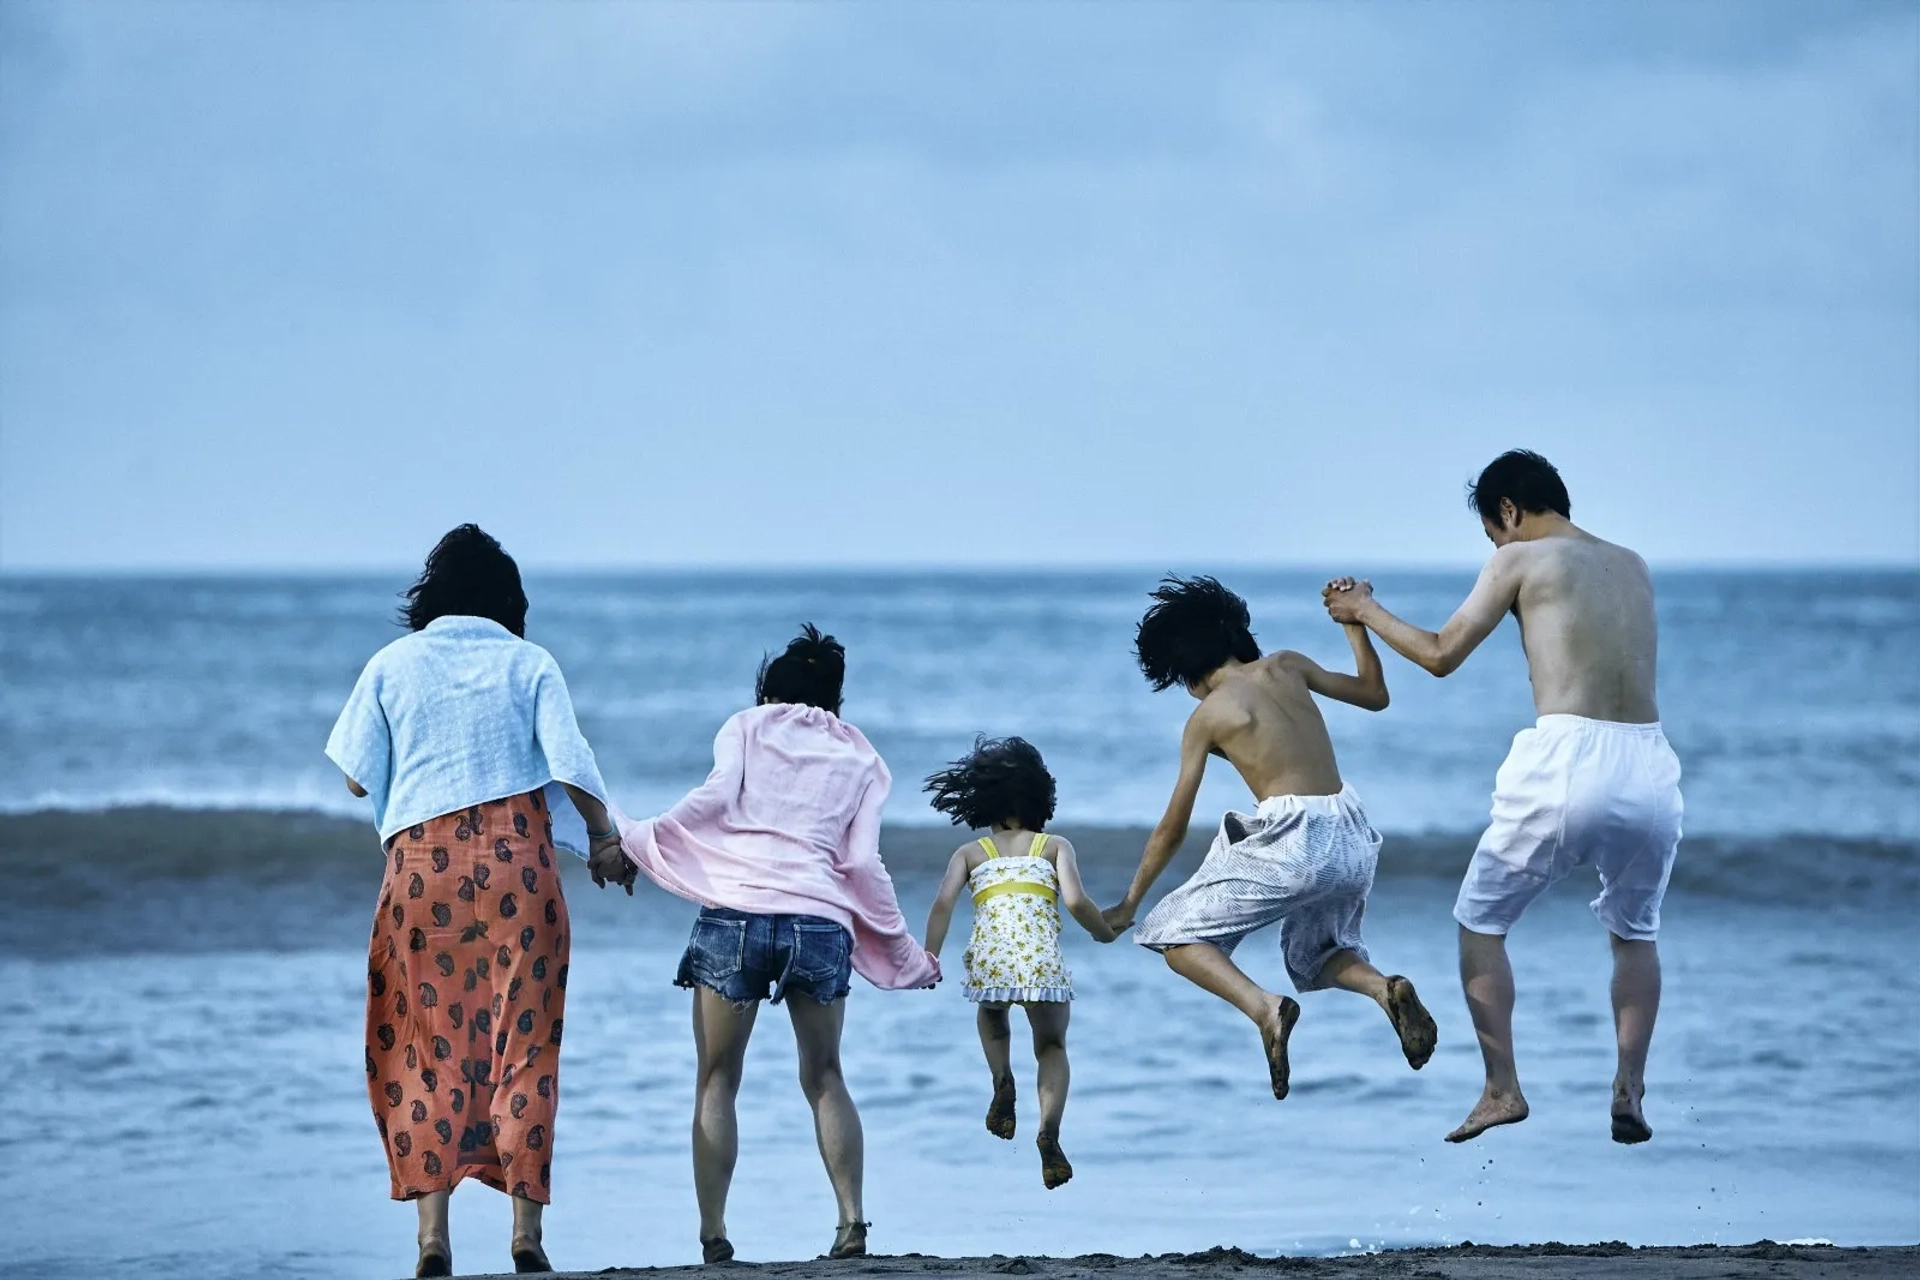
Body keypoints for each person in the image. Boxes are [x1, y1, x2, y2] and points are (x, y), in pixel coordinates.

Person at [1323, 448, 1683, 1145]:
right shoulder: (1633, 563)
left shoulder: (1520, 558)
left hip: (1568, 759)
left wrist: (1363, 609)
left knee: (1480, 921)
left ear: (1509, 512)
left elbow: (1439, 654)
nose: (1496, 545)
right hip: (1650, 764)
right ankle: (1629, 1087)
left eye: (1494, 531)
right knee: (1634, 934)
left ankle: (1501, 1089)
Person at [325, 524, 622, 1278]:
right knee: (526, 1045)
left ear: (434, 595)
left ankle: (434, 1239)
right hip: (519, 866)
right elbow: (572, 760)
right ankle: (526, 1233)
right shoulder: (530, 663)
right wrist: (605, 837)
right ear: (506, 600)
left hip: (421, 873)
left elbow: (357, 777)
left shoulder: (393, 664)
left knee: (427, 1048)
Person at [593, 625, 939, 1264]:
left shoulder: (746, 727)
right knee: (826, 1075)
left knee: (717, 1079)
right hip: (818, 920)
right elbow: (863, 864)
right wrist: (905, 954)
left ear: (768, 690)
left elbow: (713, 801)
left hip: (737, 915)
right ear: (835, 698)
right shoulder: (863, 758)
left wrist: (641, 841)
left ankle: (715, 1235)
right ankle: (851, 1223)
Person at [1103, 576, 1437, 1101]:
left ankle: (1264, 1008)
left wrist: (1128, 904)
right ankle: (1383, 988)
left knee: (1170, 933)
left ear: (1185, 668)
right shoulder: (1287, 664)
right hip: (1351, 834)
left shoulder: (1207, 715)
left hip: (1295, 843)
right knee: (1316, 954)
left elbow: (1172, 826)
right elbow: (1375, 695)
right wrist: (1353, 626)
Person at [922, 736, 1117, 1189]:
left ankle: (1001, 1079)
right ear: (1039, 797)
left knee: (992, 1018)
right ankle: (1048, 1132)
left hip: (992, 962)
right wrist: (1103, 931)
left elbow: (942, 904)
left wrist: (929, 957)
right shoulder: (1053, 846)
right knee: (1051, 1047)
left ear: (982, 800)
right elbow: (1075, 900)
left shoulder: (970, 853)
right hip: (1040, 963)